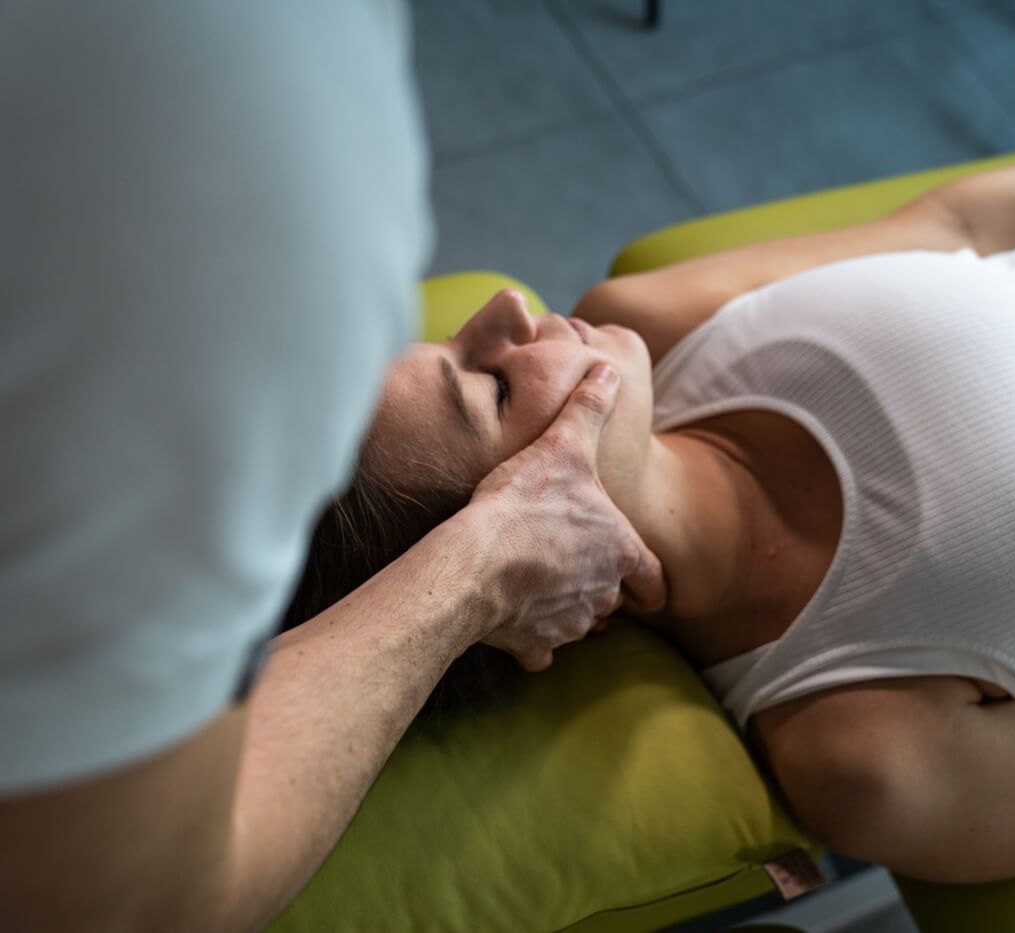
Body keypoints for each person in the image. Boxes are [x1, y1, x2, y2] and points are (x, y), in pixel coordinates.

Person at [292, 101, 1015, 885]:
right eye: (488, 388)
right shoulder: (864, 746)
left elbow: (954, 228)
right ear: (522, 566)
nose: (502, 308)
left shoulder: (655, 323)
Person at [0, 4, 663, 932]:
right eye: (493, 391)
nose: (507, 304)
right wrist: (480, 569)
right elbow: (119, 900)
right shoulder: (223, 193)